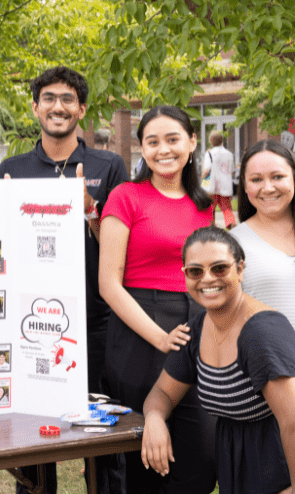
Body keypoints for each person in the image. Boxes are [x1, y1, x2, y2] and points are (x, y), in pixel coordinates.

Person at [0, 66, 128, 494]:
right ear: (35, 107)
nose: (59, 106)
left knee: (102, 434)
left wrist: (89, 209)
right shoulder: (11, 168)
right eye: (49, 98)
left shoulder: (108, 166)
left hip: (96, 319)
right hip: (31, 323)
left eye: (68, 99)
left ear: (82, 110)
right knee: (36, 436)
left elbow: (118, 245)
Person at [143, 226, 295, 494]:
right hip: (255, 465)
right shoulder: (196, 331)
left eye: (219, 268)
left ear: (240, 270)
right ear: (185, 276)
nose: (207, 279)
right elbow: (162, 392)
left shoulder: (260, 332)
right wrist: (155, 419)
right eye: (195, 271)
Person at [99, 105, 216, 493]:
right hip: (140, 333)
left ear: (191, 142)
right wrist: (159, 337)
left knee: (199, 456)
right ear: (142, 149)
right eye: (152, 142)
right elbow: (109, 283)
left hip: (198, 330)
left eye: (172, 139)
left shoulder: (207, 205)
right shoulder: (126, 197)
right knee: (141, 460)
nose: (163, 149)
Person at [230, 139, 295, 370]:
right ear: (244, 185)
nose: (268, 187)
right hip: (280, 381)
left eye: (277, 177)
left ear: (294, 176)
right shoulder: (233, 243)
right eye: (256, 180)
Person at [202, 130, 236, 229]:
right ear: (222, 140)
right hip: (224, 185)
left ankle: (211, 225)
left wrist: (202, 178)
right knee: (226, 207)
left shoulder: (209, 154)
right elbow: (231, 171)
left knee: (210, 208)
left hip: (212, 185)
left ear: (211, 141)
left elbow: (206, 170)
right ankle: (230, 222)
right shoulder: (229, 154)